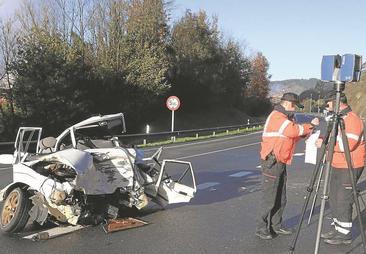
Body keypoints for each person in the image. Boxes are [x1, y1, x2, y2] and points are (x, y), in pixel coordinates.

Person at [256, 92, 319, 240]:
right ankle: (261, 227)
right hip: (272, 162)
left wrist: (308, 133)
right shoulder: (277, 116)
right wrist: (310, 125)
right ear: (288, 104)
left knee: (281, 196)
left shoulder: (285, 118)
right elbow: (292, 130)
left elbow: (293, 135)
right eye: (295, 106)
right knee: (269, 197)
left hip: (280, 161)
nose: (295, 109)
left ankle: (276, 225)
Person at [316, 91, 365, 245]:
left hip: (350, 165)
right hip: (337, 163)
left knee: (343, 199)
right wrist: (322, 138)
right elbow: (333, 137)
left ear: (338, 102)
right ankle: (338, 229)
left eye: (328, 103)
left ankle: (344, 235)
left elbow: (347, 145)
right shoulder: (339, 119)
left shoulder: (352, 120)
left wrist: (325, 145)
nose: (327, 106)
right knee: (334, 197)